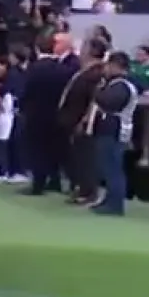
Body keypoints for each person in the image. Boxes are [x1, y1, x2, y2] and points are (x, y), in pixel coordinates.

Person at [58, 37, 109, 206]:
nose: (81, 51)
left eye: (84, 47)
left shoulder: (96, 73)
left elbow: (95, 99)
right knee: (77, 157)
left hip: (83, 122)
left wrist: (85, 120)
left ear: (92, 51)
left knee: (86, 157)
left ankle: (89, 191)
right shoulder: (85, 71)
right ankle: (81, 187)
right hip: (72, 119)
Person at [20, 34, 73, 196]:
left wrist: (23, 108)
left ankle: (38, 184)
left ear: (37, 49)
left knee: (36, 150)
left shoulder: (34, 69)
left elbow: (26, 92)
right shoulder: (64, 70)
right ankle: (55, 180)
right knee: (54, 149)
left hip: (35, 115)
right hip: (57, 115)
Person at [87, 51, 138, 217]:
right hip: (108, 130)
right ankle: (108, 199)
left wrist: (98, 92)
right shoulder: (114, 84)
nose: (106, 69)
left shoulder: (123, 85)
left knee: (113, 169)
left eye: (108, 66)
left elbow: (109, 102)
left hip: (115, 131)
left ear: (116, 66)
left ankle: (115, 204)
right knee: (106, 167)